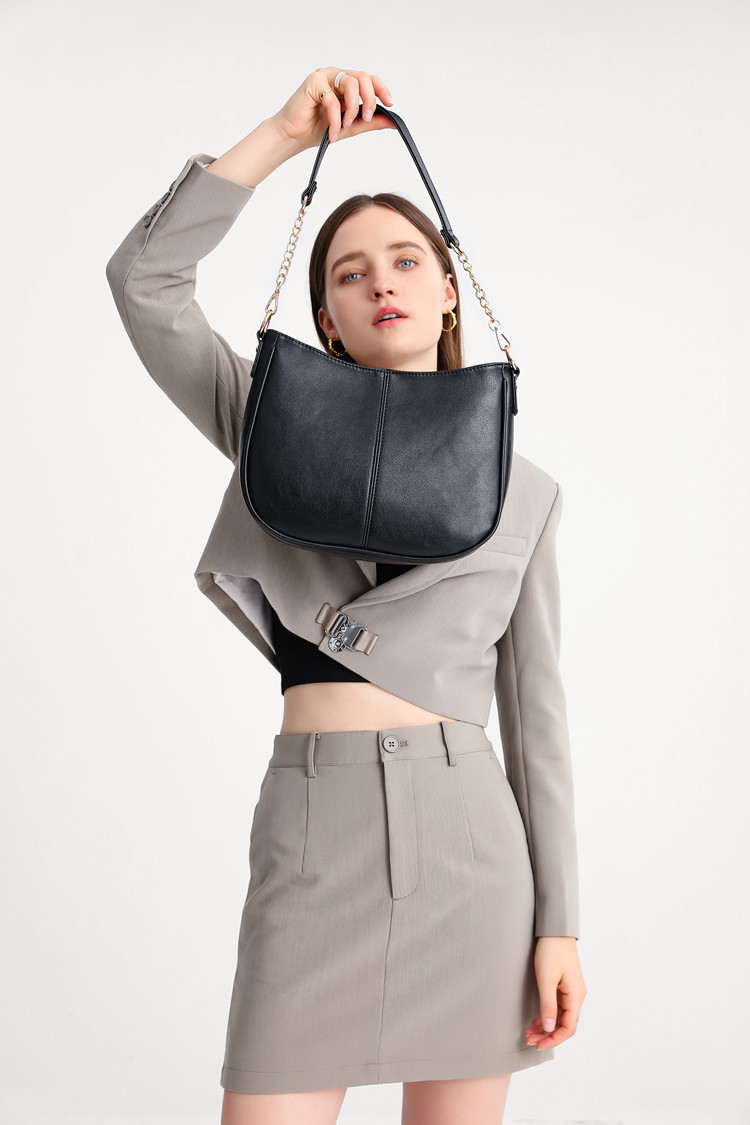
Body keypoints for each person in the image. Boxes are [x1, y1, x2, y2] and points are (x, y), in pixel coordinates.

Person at [106, 66, 586, 1125]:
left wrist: (560, 922)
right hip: (313, 832)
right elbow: (144, 282)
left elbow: (539, 723)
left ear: (450, 288)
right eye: (351, 272)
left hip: (471, 850)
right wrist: (284, 135)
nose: (382, 283)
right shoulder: (269, 430)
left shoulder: (527, 494)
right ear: (324, 315)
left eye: (407, 260)